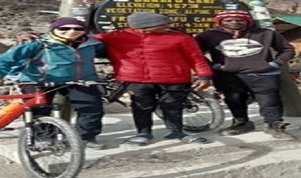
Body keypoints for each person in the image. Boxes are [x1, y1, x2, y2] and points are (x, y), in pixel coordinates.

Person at [91, 12, 213, 146]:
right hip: (135, 78)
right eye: (162, 24)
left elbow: (196, 58)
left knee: (173, 106)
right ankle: (143, 133)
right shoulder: (116, 37)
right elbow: (82, 38)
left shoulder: (181, 38)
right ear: (143, 27)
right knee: (141, 106)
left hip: (174, 78)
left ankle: (176, 131)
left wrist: (204, 75)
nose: (168, 26)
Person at [0, 17, 107, 150]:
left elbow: (112, 52)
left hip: (79, 80)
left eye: (78, 28)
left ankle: (86, 137)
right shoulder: (38, 43)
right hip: (38, 80)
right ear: (54, 29)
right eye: (64, 28)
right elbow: (7, 59)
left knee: (92, 108)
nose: (72, 31)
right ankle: (43, 137)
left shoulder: (92, 44)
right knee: (40, 109)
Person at [195, 10, 295, 138]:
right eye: (228, 20)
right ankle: (241, 122)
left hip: (262, 74)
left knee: (269, 100)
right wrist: (215, 66)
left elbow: (287, 49)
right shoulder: (207, 36)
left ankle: (274, 124)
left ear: (248, 21)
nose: (234, 23)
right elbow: (196, 54)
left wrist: (274, 64)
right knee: (234, 99)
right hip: (228, 75)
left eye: (240, 20)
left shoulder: (266, 33)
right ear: (220, 22)